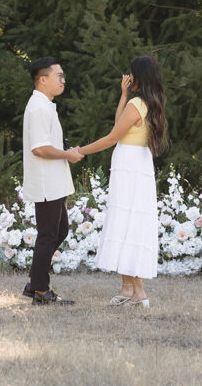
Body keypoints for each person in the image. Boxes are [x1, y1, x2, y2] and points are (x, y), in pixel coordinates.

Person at [77, 55, 168, 308]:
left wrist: (80, 151)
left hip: (129, 165)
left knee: (129, 222)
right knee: (129, 220)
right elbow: (120, 127)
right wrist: (123, 95)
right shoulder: (150, 102)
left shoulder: (138, 104)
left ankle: (139, 293)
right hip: (137, 163)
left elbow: (110, 138)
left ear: (137, 77)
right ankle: (128, 288)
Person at [22, 56, 83, 306]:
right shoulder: (37, 107)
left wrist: (65, 152)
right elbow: (39, 149)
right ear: (43, 79)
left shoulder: (45, 105)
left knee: (59, 231)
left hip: (54, 181)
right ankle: (40, 291)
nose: (63, 80)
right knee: (48, 235)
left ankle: (35, 282)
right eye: (59, 76)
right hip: (46, 182)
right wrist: (67, 154)